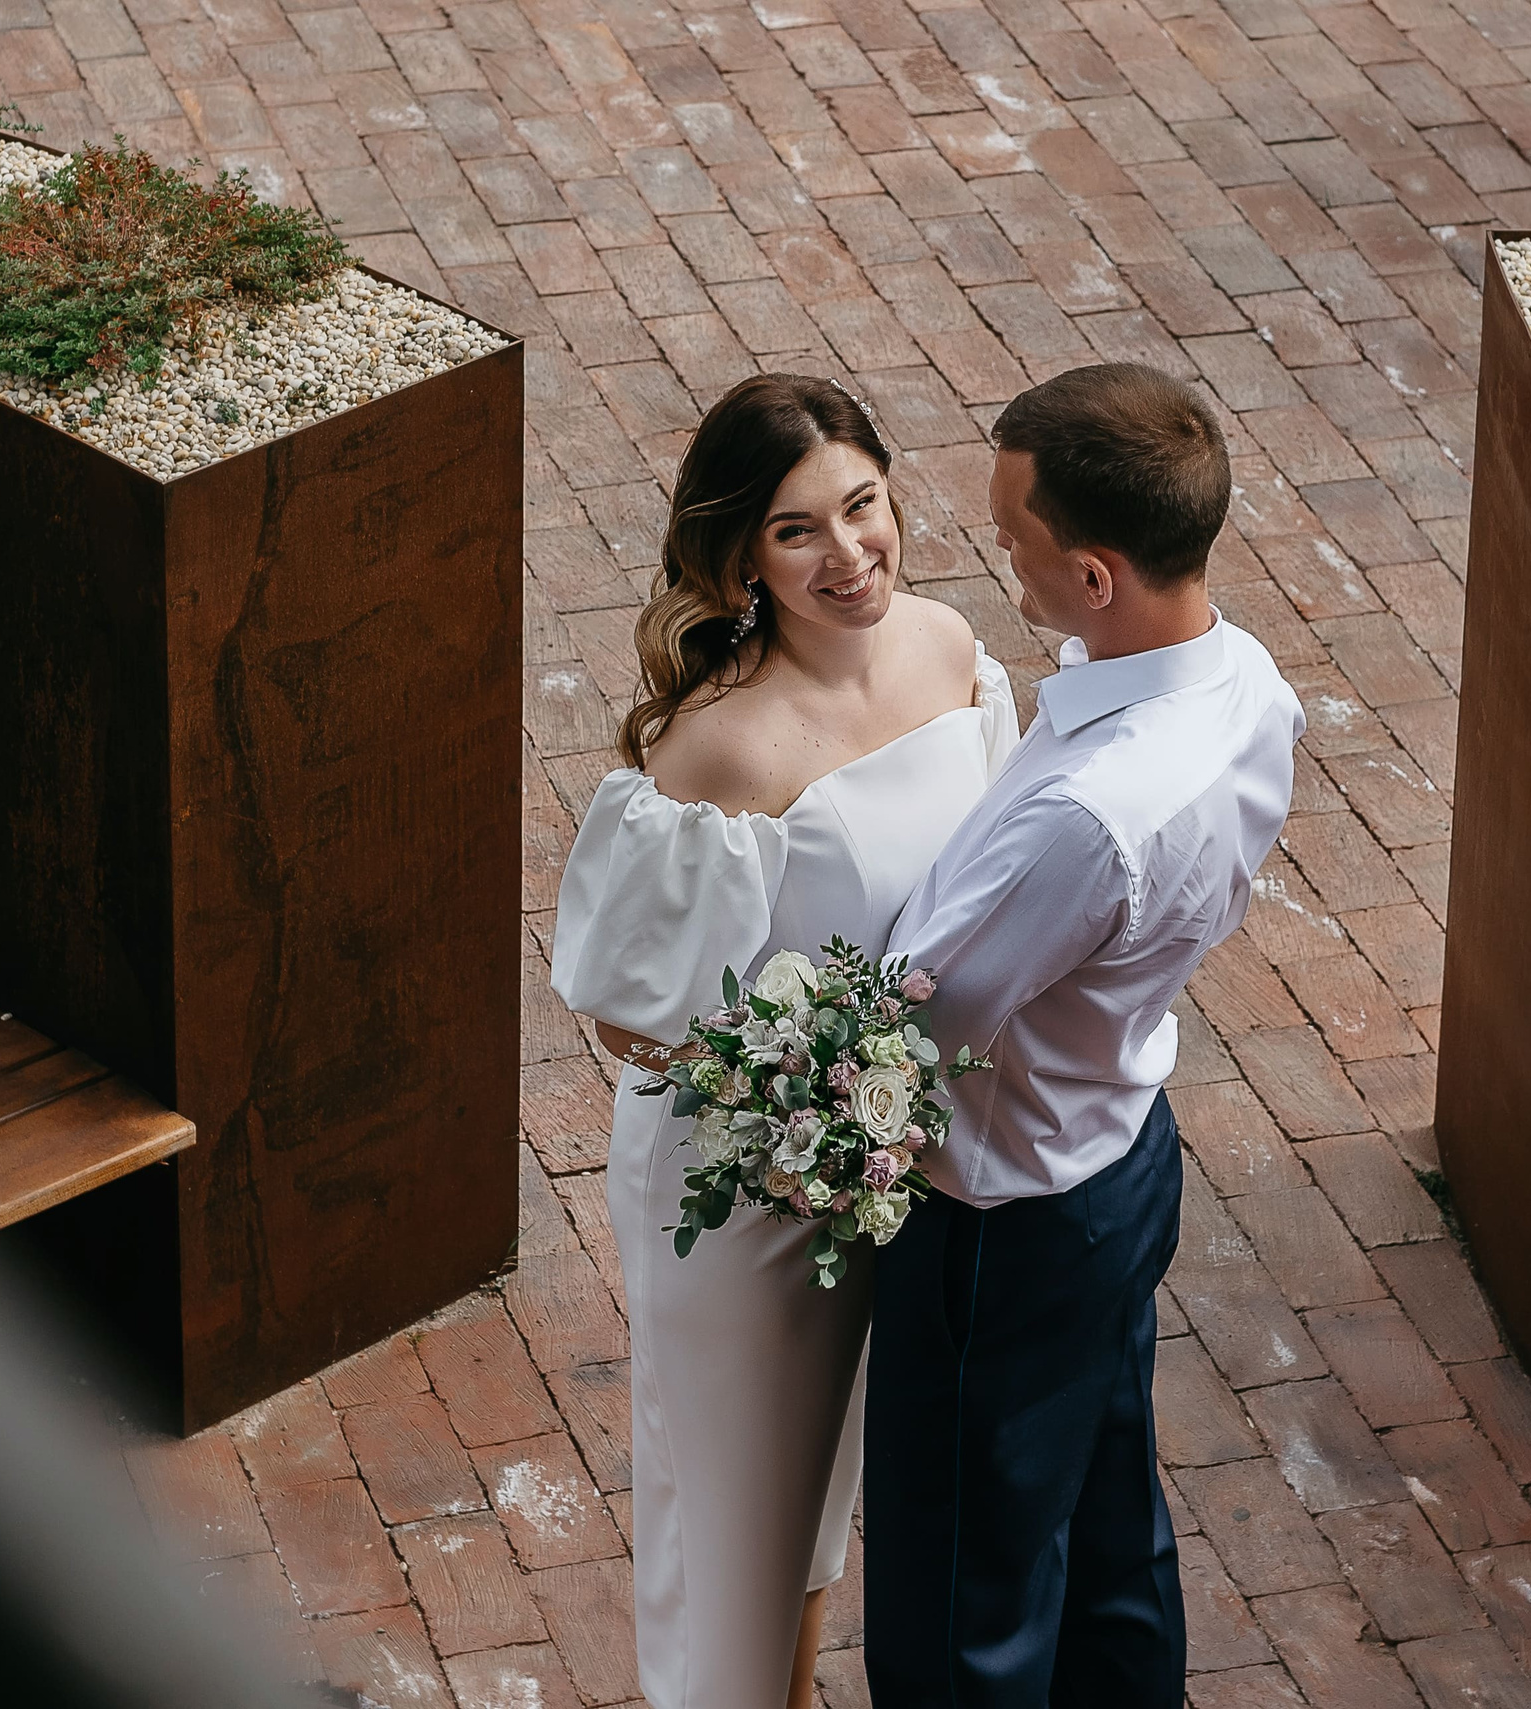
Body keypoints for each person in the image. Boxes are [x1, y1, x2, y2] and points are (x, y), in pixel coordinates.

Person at [548, 374, 1020, 1709]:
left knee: (829, 1483)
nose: (849, 553)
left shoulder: (949, 649)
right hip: (746, 1180)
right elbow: (632, 1024)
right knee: (738, 1518)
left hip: (891, 1149)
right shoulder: (726, 753)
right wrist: (810, 1081)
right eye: (797, 530)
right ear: (743, 558)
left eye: (862, 505)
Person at [864, 363, 1308, 1709]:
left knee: (963, 1605)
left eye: (1016, 539)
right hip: (1123, 1161)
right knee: (1111, 1527)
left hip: (1004, 1234)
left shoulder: (1089, 818)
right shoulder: (1247, 684)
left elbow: (920, 1015)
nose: (1002, 558)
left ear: (1100, 576)